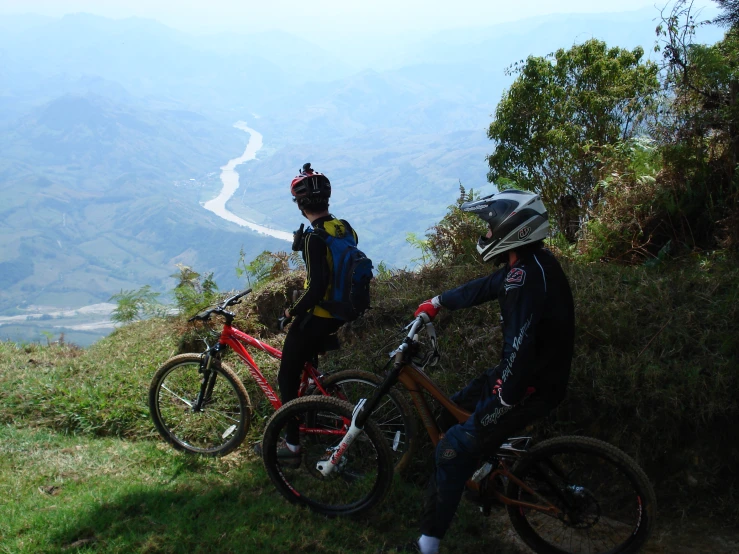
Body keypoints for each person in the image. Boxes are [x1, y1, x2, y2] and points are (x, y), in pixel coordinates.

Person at [408, 190, 575, 554]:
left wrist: (501, 402)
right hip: (532, 377)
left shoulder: (523, 281)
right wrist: (437, 302)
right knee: (449, 413)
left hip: (525, 386)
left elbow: (519, 346)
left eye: (488, 227)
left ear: (510, 228)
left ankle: (427, 544)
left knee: (451, 448)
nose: (484, 235)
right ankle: (481, 474)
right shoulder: (533, 264)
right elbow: (485, 287)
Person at [276, 162, 359, 466]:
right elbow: (338, 263)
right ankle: (314, 402)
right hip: (343, 310)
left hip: (321, 314)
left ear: (300, 205)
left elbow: (315, 288)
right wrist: (306, 247)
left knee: (286, 376)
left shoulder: (313, 237)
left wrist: (290, 312)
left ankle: (293, 446)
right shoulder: (344, 227)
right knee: (305, 362)